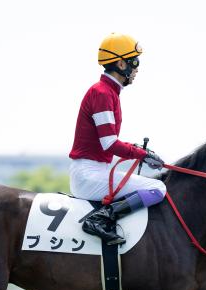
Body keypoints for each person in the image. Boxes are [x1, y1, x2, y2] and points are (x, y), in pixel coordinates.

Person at [69, 33, 167, 246]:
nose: (137, 69)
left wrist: (138, 150)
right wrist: (142, 154)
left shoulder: (108, 92)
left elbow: (108, 141)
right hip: (89, 175)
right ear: (121, 63)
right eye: (135, 62)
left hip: (96, 171)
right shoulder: (102, 93)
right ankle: (100, 219)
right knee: (158, 189)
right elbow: (110, 144)